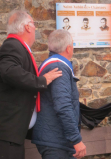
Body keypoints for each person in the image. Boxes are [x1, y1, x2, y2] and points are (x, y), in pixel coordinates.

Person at [0, 10, 62, 159]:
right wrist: (42, 80)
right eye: (34, 24)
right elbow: (8, 71)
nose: (35, 28)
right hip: (9, 133)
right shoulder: (13, 46)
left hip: (15, 133)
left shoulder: (18, 47)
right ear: (28, 27)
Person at [32, 29, 86, 159]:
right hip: (56, 141)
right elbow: (63, 105)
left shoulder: (52, 64)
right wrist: (76, 139)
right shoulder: (59, 66)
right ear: (68, 48)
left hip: (54, 138)